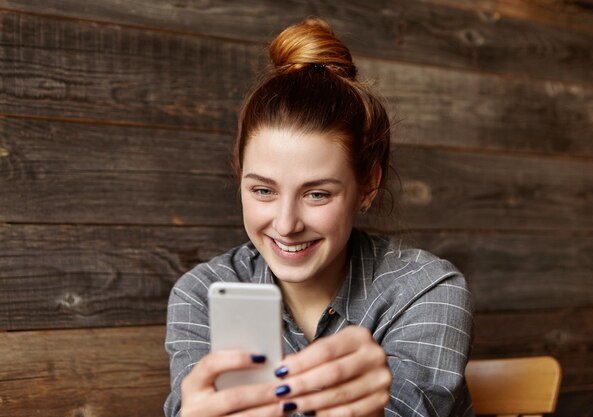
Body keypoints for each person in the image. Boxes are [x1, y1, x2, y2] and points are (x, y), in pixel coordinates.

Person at [164, 18, 474, 417]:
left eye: (317, 194)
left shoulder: (427, 290)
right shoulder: (202, 293)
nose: (286, 224)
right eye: (263, 190)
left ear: (368, 186)